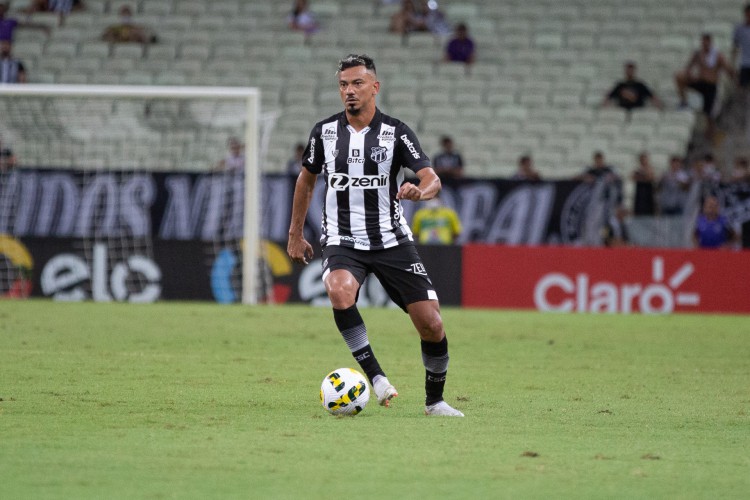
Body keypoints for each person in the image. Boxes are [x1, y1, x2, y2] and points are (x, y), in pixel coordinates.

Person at [287, 54, 463, 417]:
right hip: (342, 238)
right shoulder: (324, 133)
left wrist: (420, 190)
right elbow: (306, 178)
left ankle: (435, 402)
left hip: (391, 239)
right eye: (343, 85)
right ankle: (376, 377)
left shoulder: (396, 132)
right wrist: (295, 232)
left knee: (431, 323)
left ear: (374, 87)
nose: (349, 91)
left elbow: (431, 178)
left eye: (357, 84)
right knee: (338, 290)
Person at [674, 33, 735, 135]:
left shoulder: (717, 55)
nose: (704, 44)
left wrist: (734, 77)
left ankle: (711, 132)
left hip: (711, 85)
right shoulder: (698, 54)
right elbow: (689, 67)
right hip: (701, 82)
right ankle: (684, 101)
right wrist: (689, 74)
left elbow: (727, 68)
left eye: (706, 42)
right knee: (679, 77)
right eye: (703, 42)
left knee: (708, 112)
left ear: (710, 42)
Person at [732, 3, 750, 88]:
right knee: (742, 89)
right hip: (744, 63)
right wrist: (733, 64)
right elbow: (735, 47)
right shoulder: (739, 29)